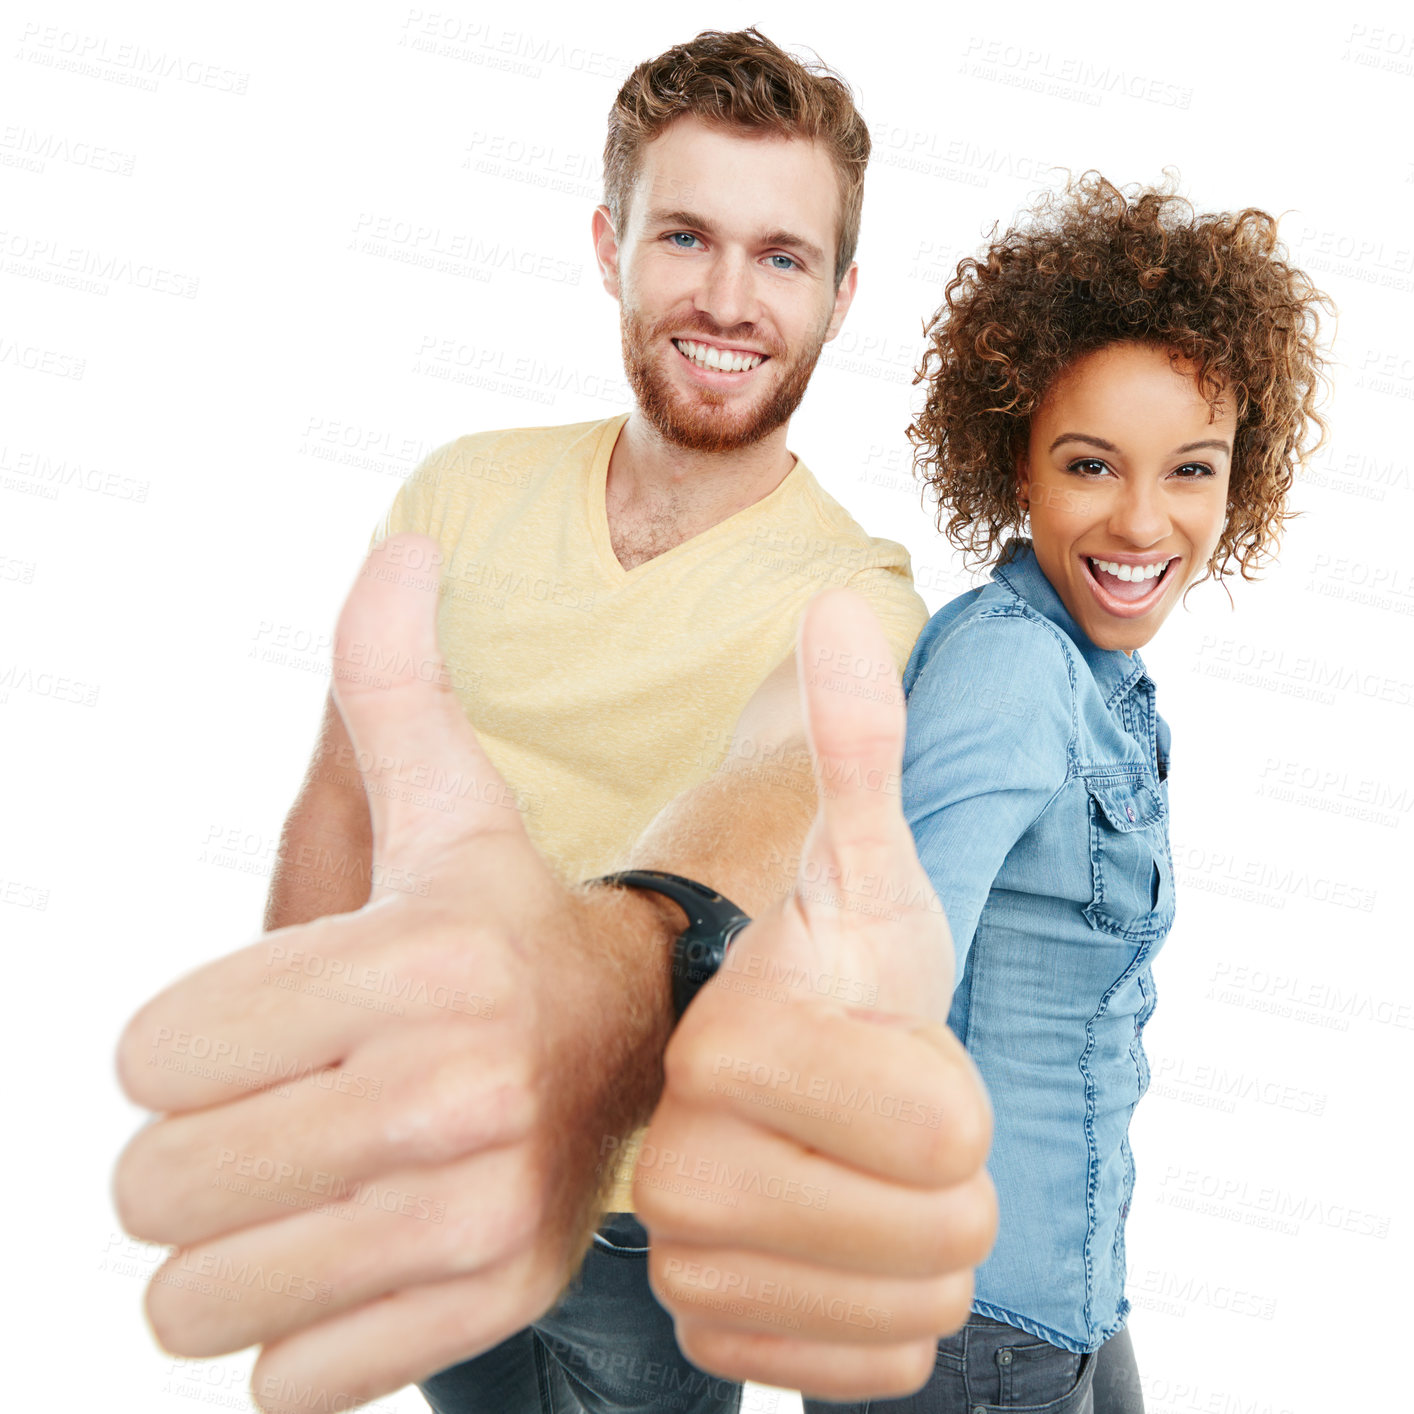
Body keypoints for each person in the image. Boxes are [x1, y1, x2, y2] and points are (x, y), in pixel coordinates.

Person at [111, 29, 996, 1414]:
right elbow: (341, 805)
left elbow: (769, 797)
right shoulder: (461, 493)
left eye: (782, 256)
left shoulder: (855, 598)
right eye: (685, 237)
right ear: (607, 243)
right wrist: (321, 1106)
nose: (727, 296)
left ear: (839, 294)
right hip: (430, 1172)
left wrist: (604, 972)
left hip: (643, 1236)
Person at [803, 175, 1329, 1414]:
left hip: (1061, 1292)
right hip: (959, 1315)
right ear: (1015, 464)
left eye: (1190, 470)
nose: (1144, 520)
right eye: (1090, 464)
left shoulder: (1106, 683)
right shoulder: (1009, 669)